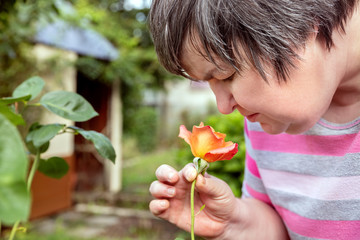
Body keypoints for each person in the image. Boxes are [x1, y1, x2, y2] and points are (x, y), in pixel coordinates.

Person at [147, 0, 360, 239]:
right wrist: (232, 223)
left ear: (302, 21)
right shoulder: (267, 123)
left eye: (226, 75)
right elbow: (280, 225)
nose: (224, 107)